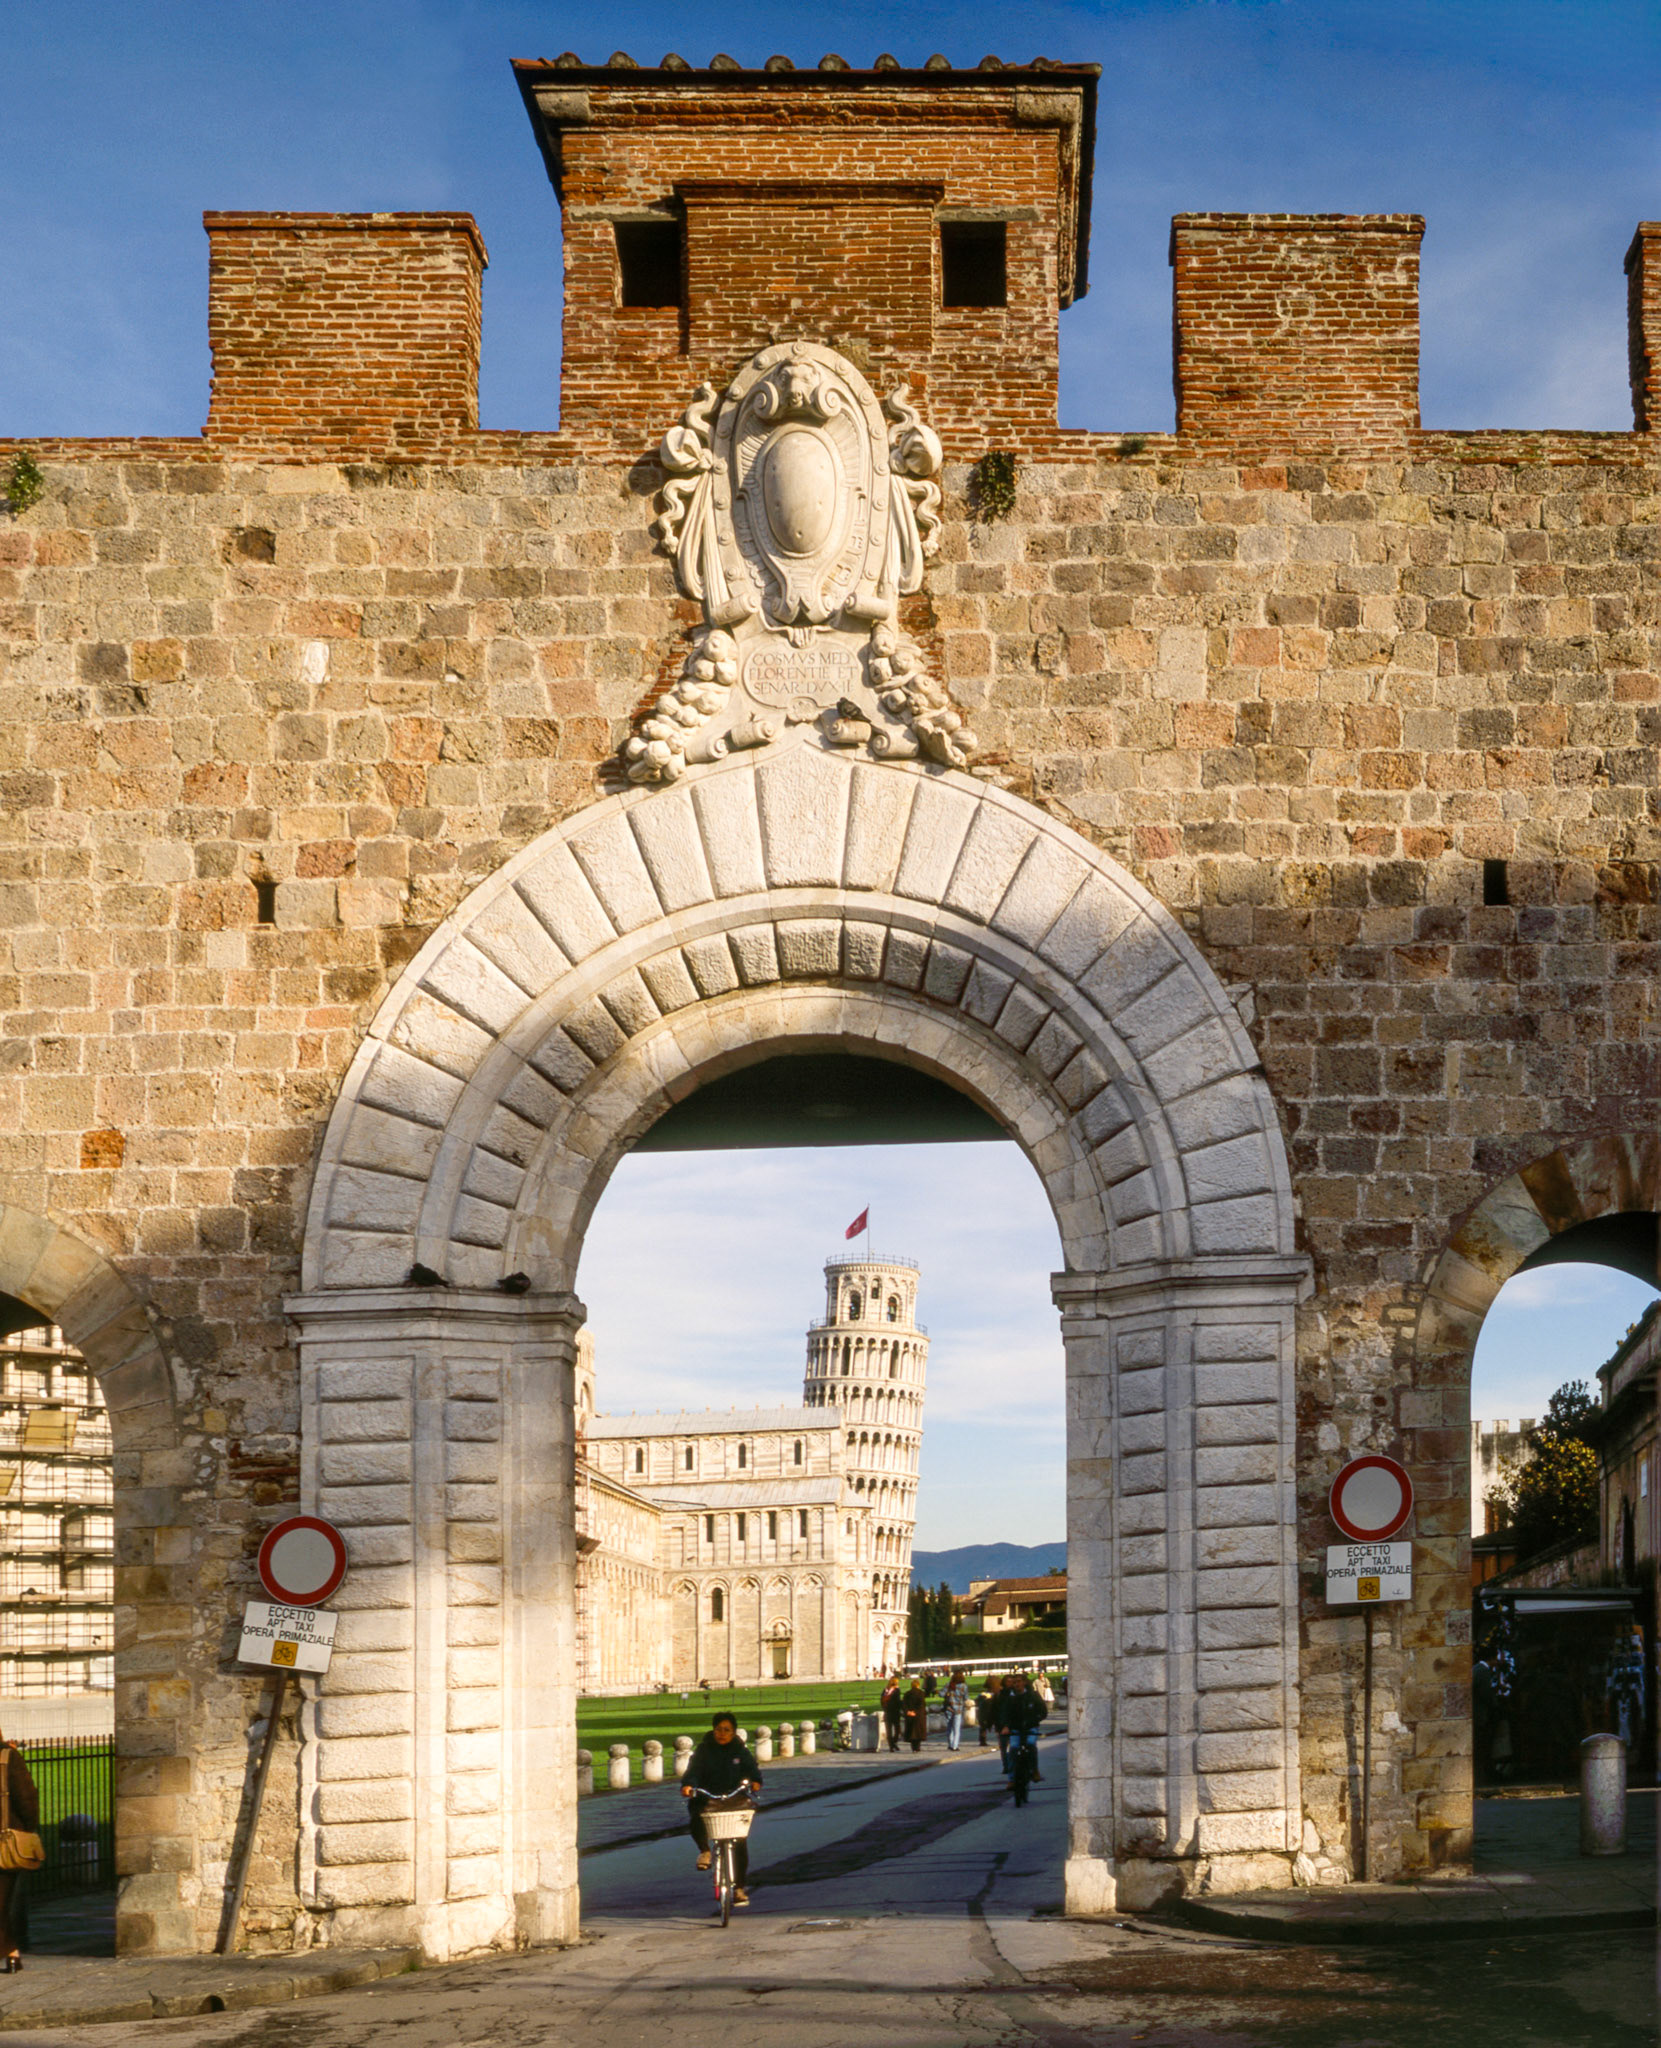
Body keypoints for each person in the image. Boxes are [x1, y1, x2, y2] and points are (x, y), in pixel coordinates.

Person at [682, 1712, 762, 1908]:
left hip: (734, 1797)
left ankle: (739, 1888)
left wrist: (756, 1781)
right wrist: (689, 1785)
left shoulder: (739, 1750)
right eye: (719, 1729)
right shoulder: (704, 1750)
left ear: (734, 1732)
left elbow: (753, 1769)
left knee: (740, 1843)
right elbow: (693, 1771)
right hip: (708, 1795)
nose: (722, 1734)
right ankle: (705, 1850)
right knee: (696, 1812)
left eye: (727, 1730)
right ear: (713, 1730)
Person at [0, 1737, 38, 1970]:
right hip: (5, 1839)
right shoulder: (8, 1758)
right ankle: (12, 1951)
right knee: (2, 1902)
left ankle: (12, 1950)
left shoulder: (8, 1758)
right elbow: (27, 1799)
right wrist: (28, 1827)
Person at [1002, 1673, 1047, 1783]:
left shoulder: (1033, 1695)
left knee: (1031, 1744)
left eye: (1018, 1681)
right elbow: (1005, 1713)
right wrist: (1006, 1726)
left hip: (1030, 1728)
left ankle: (1035, 1770)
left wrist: (1036, 1719)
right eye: (1014, 1682)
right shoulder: (1010, 1698)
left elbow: (1043, 1711)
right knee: (1013, 1748)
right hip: (1016, 1729)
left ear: (1024, 1682)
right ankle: (1012, 1779)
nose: (1016, 1684)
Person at [943, 1668, 969, 1752]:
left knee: (949, 1727)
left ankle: (950, 1744)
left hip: (949, 1708)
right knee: (956, 1729)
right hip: (958, 1709)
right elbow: (966, 1698)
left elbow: (941, 1694)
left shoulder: (949, 1684)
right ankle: (955, 1745)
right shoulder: (964, 1686)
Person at [902, 1678, 928, 1752]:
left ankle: (913, 1747)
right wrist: (916, 1712)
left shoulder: (907, 1693)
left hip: (909, 1715)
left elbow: (904, 1704)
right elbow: (922, 1705)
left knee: (911, 1732)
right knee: (918, 1732)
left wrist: (908, 1712)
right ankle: (917, 1747)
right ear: (918, 1685)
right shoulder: (921, 1693)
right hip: (918, 1715)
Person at [880, 1678, 904, 1753]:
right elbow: (898, 1701)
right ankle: (893, 1743)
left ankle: (891, 1746)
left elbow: (881, 1700)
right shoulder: (897, 1690)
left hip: (887, 1712)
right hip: (895, 1712)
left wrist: (884, 1708)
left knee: (889, 1730)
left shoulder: (885, 1691)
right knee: (897, 1729)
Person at [975, 1675, 999, 1748]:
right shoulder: (997, 1694)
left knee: (983, 1727)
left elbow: (977, 1702)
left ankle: (982, 1741)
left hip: (984, 1713)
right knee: (998, 1726)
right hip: (995, 1712)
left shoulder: (983, 1695)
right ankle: (1001, 1739)